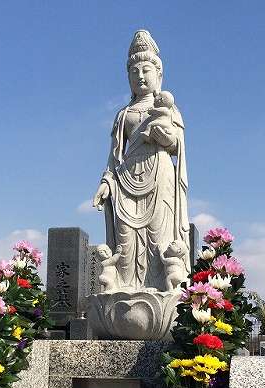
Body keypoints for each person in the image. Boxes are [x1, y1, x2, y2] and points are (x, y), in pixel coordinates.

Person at [91, 30, 190, 291]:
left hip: (159, 177)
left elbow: (178, 143)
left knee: (159, 238)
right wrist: (106, 181)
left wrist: (165, 137)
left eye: (146, 70)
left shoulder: (168, 108)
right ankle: (124, 290)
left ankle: (164, 289)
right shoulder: (123, 115)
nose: (141, 76)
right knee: (125, 243)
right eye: (134, 72)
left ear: (159, 74)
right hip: (125, 182)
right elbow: (114, 156)